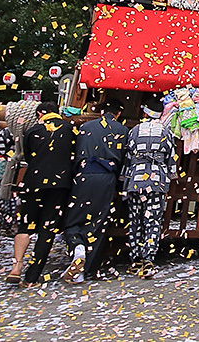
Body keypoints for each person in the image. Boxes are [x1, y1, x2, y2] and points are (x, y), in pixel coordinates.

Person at [6, 102, 75, 287]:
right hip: (59, 184)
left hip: (32, 182)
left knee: (25, 227)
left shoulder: (31, 131)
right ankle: (31, 277)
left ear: (39, 115)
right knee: (47, 228)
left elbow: (27, 157)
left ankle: (16, 266)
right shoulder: (70, 130)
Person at [63, 99, 128, 284]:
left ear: (100, 112)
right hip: (107, 177)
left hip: (83, 174)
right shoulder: (122, 130)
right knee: (98, 222)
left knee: (74, 217)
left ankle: (77, 245)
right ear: (118, 114)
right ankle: (86, 270)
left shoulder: (85, 128)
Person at [122, 97, 177, 279]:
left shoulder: (135, 131)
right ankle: (148, 260)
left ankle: (135, 259)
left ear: (145, 113)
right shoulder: (165, 132)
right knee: (153, 220)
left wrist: (125, 179)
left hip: (135, 180)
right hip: (156, 180)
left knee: (135, 219)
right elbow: (171, 159)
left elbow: (128, 158)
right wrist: (171, 176)